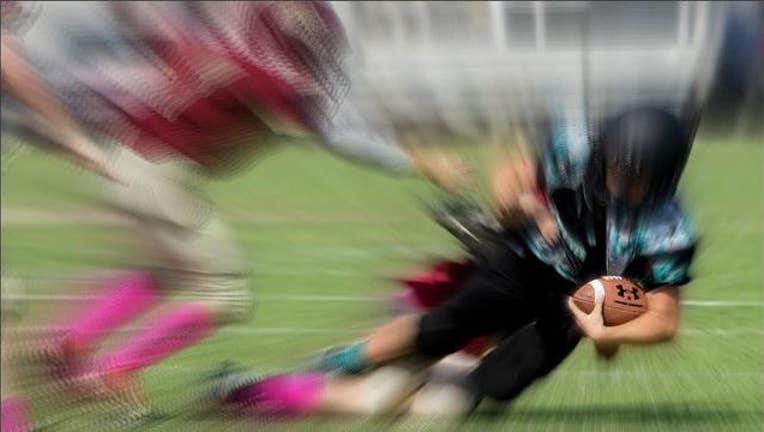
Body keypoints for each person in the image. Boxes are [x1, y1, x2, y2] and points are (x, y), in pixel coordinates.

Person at [3, 1, 468, 427]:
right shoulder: (271, 75)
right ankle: (115, 368)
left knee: (169, 270)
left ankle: (72, 340)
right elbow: (338, 134)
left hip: (130, 162)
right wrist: (419, 160)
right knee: (225, 294)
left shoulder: (222, 42)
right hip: (154, 174)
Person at [207, 105, 699, 417]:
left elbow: (662, 319)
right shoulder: (572, 149)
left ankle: (264, 388)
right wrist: (519, 208)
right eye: (617, 170)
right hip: (516, 272)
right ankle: (295, 376)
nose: (621, 186)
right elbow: (511, 180)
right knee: (418, 352)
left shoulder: (666, 227)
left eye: (637, 179)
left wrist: (605, 329)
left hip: (552, 317)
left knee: (429, 408)